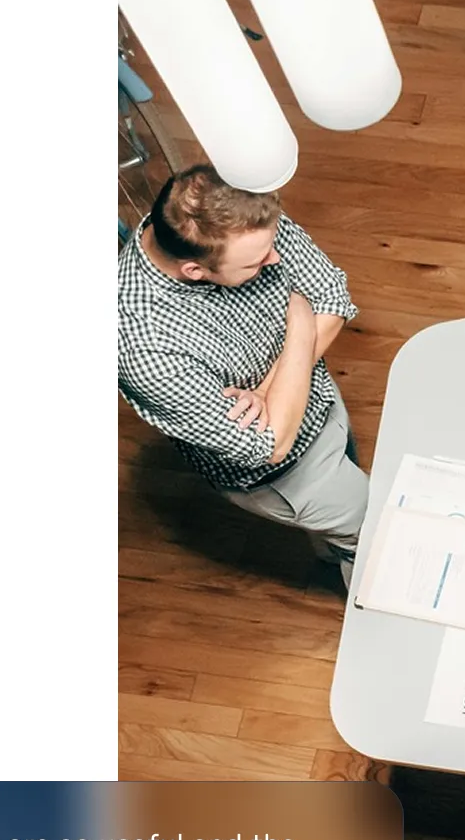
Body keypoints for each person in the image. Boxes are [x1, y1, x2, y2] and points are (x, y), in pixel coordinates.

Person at [118, 165, 369, 587]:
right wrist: (301, 319)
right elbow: (269, 444)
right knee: (374, 538)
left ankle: (333, 547)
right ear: (195, 271)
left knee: (345, 514)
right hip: (290, 475)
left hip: (322, 402)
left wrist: (270, 388)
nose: (274, 258)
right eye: (256, 264)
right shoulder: (141, 345)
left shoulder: (235, 216)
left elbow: (333, 297)